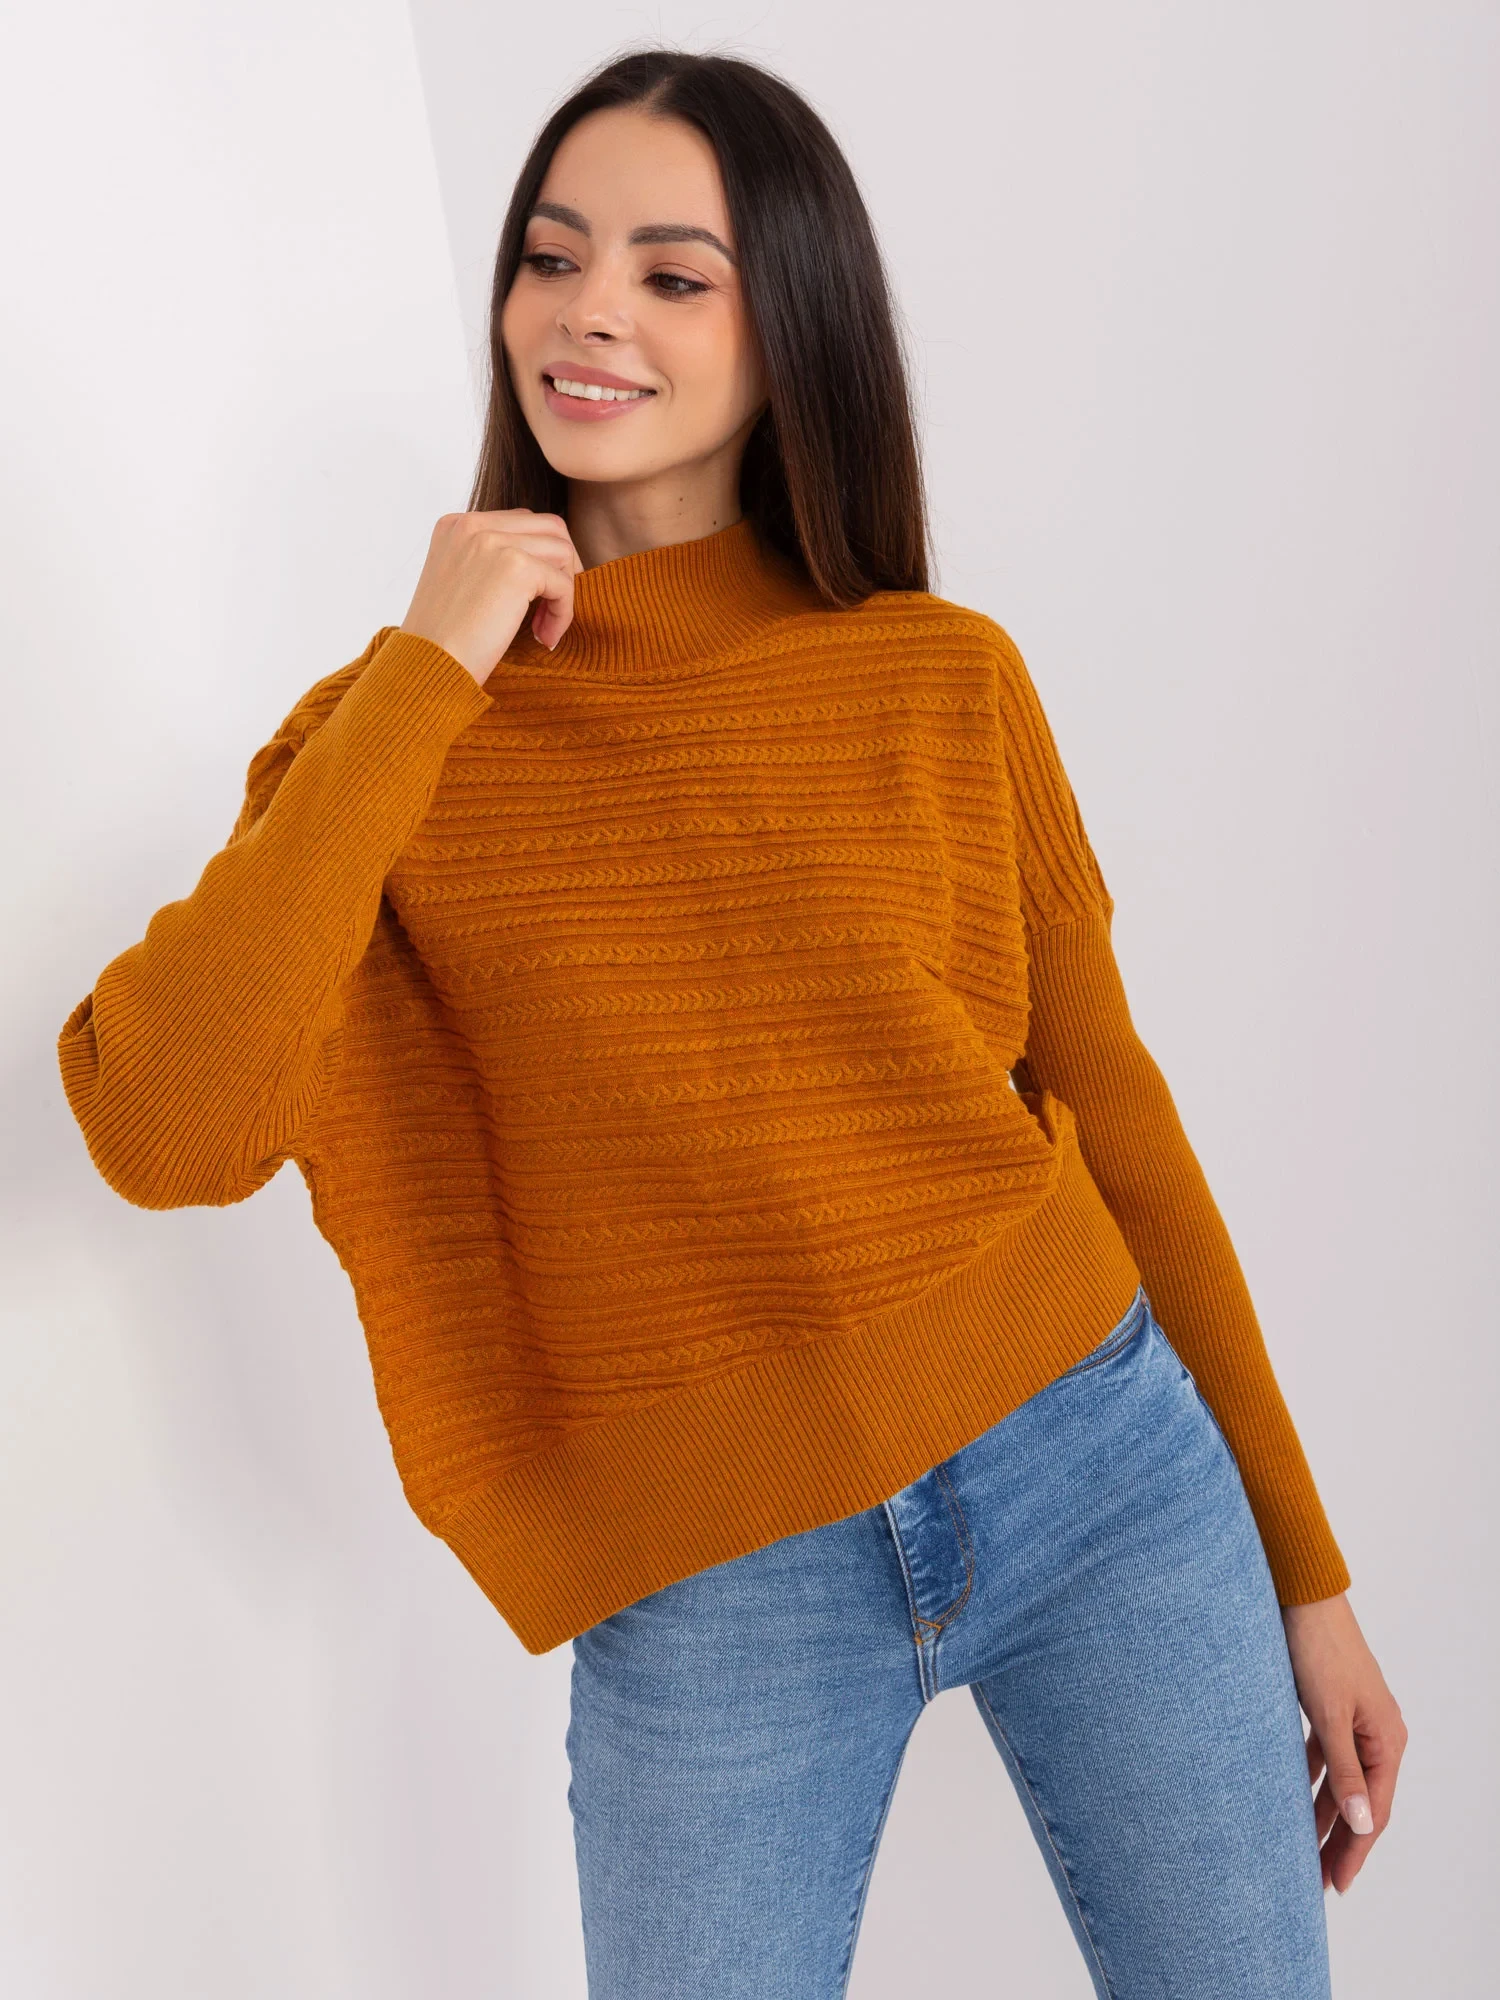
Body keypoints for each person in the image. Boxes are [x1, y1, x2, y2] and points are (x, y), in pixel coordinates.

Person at [58, 46, 1405, 1999]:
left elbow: (1115, 1114)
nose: (588, 310)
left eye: (672, 275)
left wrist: (1307, 1570)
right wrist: (425, 669)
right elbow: (163, 1126)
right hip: (715, 1587)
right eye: (551, 258)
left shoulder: (941, 678)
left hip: (1102, 1465)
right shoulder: (397, 736)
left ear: (790, 333)